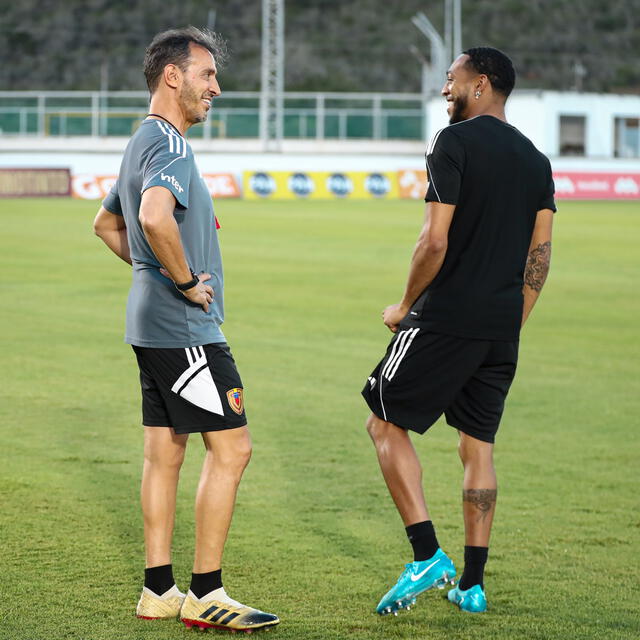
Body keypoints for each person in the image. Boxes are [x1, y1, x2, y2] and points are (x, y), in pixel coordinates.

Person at [93, 26, 279, 632]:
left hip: (147, 326)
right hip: (184, 328)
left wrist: (150, 273)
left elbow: (105, 225)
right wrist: (181, 281)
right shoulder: (170, 144)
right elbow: (151, 217)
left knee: (162, 455)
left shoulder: (139, 140)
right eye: (206, 75)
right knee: (233, 448)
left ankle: (158, 590)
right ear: (173, 77)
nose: (215, 88)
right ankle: (206, 593)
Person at [362, 46, 555, 615]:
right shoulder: (537, 161)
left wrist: (404, 305)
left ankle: (426, 556)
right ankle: (472, 583)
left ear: (482, 83)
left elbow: (434, 240)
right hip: (501, 329)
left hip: (446, 319)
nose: (445, 88)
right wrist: (507, 324)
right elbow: (540, 259)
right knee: (478, 447)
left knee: (383, 422)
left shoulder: (454, 143)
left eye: (452, 78)